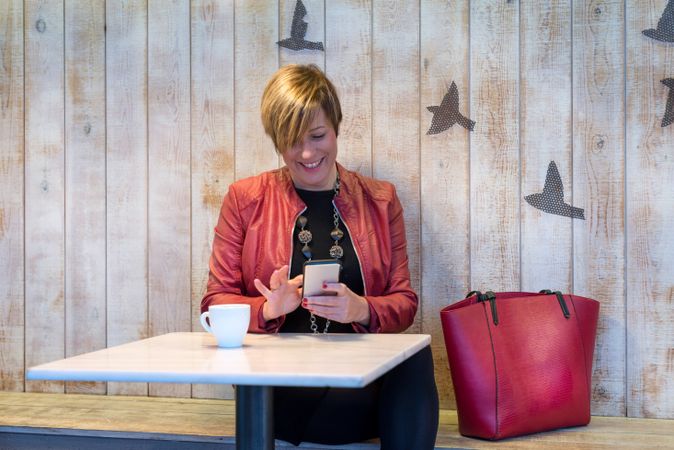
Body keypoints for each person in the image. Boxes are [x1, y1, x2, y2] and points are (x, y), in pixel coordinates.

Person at [201, 64, 439, 449]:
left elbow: (404, 302)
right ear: (277, 141)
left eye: (317, 136)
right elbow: (215, 303)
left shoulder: (381, 199)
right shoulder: (245, 199)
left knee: (415, 357)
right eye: (293, 141)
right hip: (277, 392)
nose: (308, 153)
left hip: (359, 388)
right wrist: (266, 309)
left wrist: (361, 309)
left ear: (337, 127)